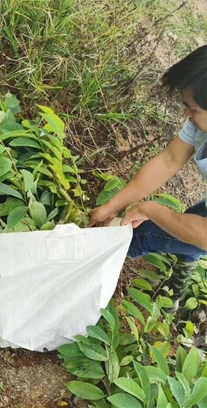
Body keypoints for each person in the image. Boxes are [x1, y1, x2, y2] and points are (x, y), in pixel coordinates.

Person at [88, 45, 207, 312]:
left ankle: (81, 278)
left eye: (193, 109)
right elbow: (169, 160)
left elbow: (204, 234)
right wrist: (111, 206)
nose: (186, 114)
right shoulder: (200, 120)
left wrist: (148, 208)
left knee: (142, 234)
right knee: (189, 221)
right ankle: (177, 287)